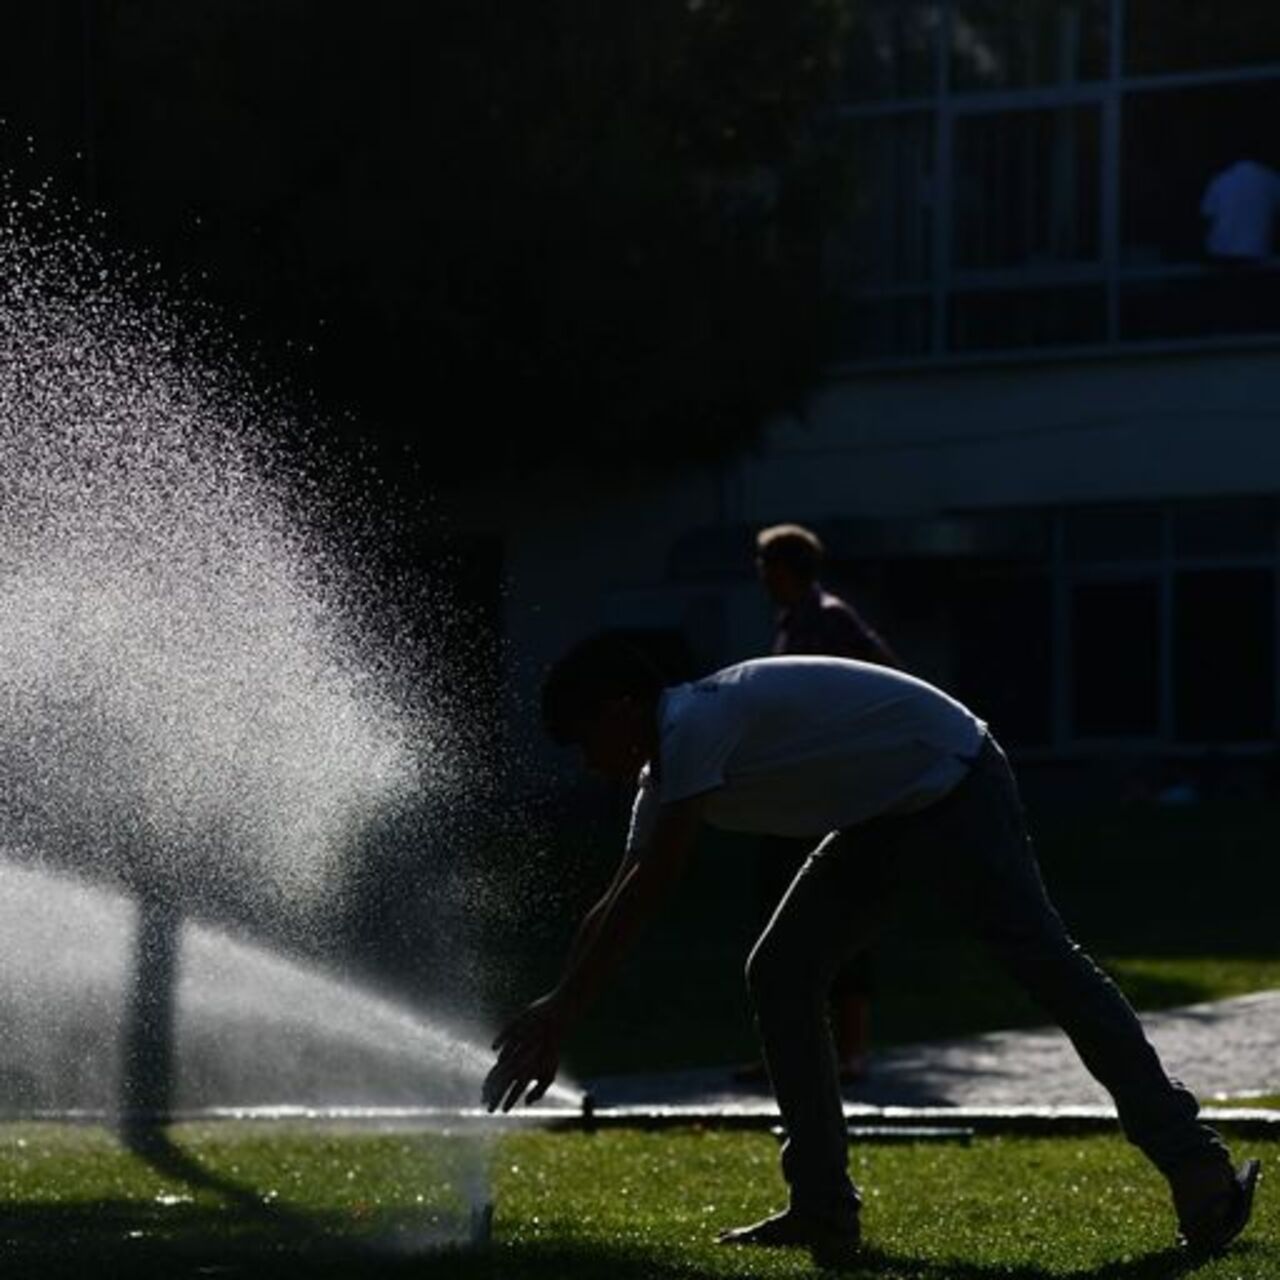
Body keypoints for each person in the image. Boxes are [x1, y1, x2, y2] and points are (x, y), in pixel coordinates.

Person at [483, 635, 1260, 1266]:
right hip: (883, 813)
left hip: (954, 778)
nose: (587, 763)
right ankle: (822, 1212)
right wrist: (556, 1011)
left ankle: (1199, 1172)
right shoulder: (664, 771)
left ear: (622, 709)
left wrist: (565, 1009)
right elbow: (616, 895)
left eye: (586, 740)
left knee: (1049, 968)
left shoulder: (693, 727)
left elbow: (652, 890)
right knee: (782, 972)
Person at [739, 522, 900, 1084]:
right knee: (776, 920)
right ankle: (790, 1050)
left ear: (783, 567)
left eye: (764, 565)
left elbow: (884, 673)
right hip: (793, 796)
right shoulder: (791, 623)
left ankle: (852, 1050)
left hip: (830, 797)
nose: (759, 576)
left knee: (838, 915)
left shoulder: (829, 617)